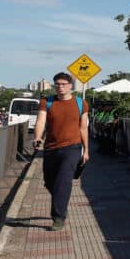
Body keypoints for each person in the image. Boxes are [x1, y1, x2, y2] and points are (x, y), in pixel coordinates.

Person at [32, 73, 89, 231]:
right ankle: (61, 203)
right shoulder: (47, 102)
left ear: (70, 85)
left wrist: (86, 151)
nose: (60, 87)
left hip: (73, 147)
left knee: (63, 181)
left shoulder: (80, 103)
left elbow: (83, 128)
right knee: (50, 182)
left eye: (63, 84)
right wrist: (37, 137)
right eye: (57, 84)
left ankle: (58, 217)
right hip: (51, 148)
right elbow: (41, 121)